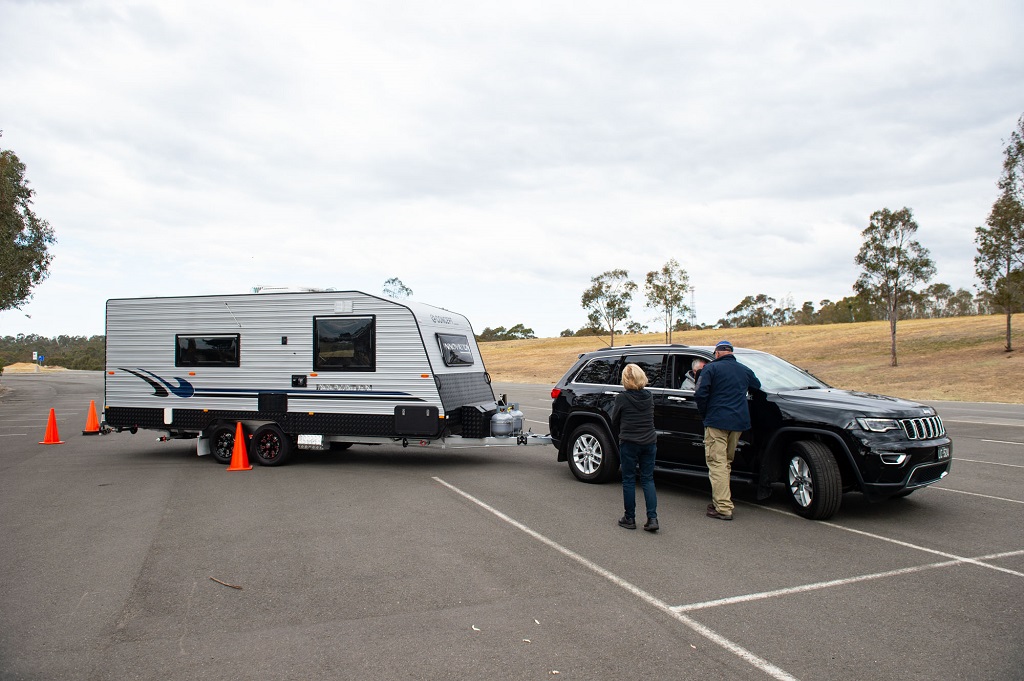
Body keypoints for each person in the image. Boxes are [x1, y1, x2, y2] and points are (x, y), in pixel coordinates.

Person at [694, 340, 761, 520]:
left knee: (717, 463)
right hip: (738, 422)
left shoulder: (710, 369)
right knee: (726, 462)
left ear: (716, 353)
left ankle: (723, 507)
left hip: (716, 421)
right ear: (731, 353)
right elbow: (757, 386)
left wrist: (705, 414)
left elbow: (700, 394)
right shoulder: (743, 370)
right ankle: (722, 500)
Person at [610, 363, 659, 532]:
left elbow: (614, 420)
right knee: (648, 479)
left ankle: (629, 517)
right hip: (649, 441)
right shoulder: (649, 396)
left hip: (630, 441)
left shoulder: (622, 398)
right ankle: (652, 518)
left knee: (629, 480)